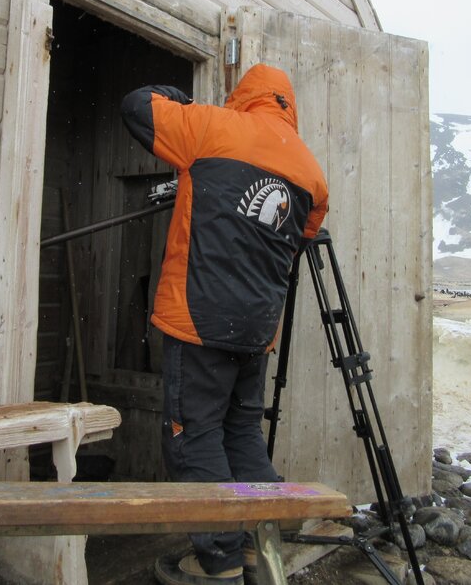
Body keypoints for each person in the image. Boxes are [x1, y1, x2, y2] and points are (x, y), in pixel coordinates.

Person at [120, 63, 329, 585]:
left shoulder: (212, 126)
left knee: (194, 436)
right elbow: (301, 236)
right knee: (241, 433)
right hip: (257, 329)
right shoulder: (311, 174)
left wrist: (181, 97)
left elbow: (137, 105)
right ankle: (259, 550)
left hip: (200, 319)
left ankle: (218, 563)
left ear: (245, 96)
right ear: (288, 104)